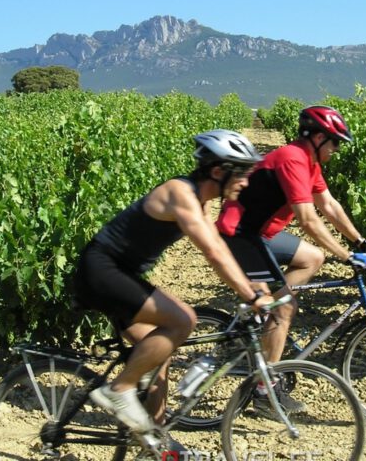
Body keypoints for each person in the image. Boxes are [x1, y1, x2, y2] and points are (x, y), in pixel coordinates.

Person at [72, 129, 272, 436]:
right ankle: (119, 389)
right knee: (182, 320)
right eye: (242, 174)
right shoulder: (180, 193)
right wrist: (248, 293)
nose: (246, 182)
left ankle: (156, 435)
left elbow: (218, 245)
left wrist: (250, 283)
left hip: (117, 272)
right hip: (101, 270)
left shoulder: (201, 202)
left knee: (157, 349)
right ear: (218, 171)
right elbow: (212, 252)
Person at [216, 105, 366, 411]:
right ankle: (263, 390)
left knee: (313, 257)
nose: (336, 149)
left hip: (261, 234)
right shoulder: (293, 158)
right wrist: (347, 255)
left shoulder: (310, 164)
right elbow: (308, 219)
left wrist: (361, 240)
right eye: (334, 142)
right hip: (239, 235)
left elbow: (330, 207)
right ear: (319, 137)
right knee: (285, 310)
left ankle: (268, 312)